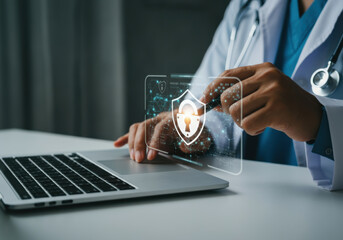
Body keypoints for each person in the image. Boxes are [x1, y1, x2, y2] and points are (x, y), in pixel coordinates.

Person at [115, 0, 343, 190]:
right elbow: (204, 97)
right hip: (241, 200)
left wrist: (317, 121)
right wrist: (196, 134)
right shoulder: (247, 5)